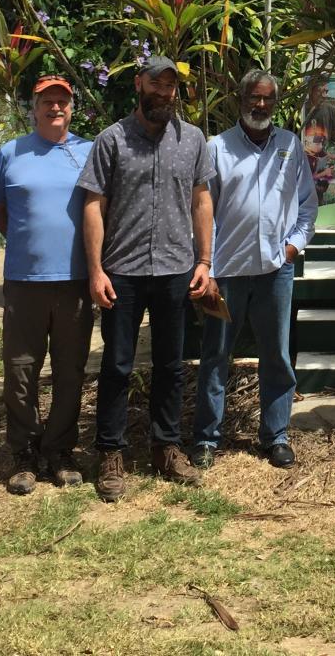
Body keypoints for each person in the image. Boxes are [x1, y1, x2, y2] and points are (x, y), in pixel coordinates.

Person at [77, 56, 214, 500]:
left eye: (171, 86)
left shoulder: (192, 140)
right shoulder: (111, 140)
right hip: (123, 271)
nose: (164, 93)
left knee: (171, 366)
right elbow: (93, 205)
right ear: (139, 84)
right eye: (156, 83)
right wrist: (96, 270)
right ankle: (111, 453)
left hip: (176, 269)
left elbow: (201, 200)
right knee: (116, 366)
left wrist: (205, 261)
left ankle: (166, 447)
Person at [191, 70, 318, 471]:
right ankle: (207, 438)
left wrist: (293, 247)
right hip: (225, 272)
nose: (260, 105)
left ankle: (275, 436)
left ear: (275, 103)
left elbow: (307, 205)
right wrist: (205, 265)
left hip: (274, 272)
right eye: (253, 97)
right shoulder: (216, 148)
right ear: (240, 98)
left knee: (276, 355)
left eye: (267, 99)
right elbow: (202, 209)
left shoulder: (290, 146)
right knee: (215, 356)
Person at [0, 76, 94, 495]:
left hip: (76, 281)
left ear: (71, 108)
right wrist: (26, 241)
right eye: (47, 102)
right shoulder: (11, 152)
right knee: (20, 369)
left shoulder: (88, 151)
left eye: (62, 102)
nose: (55, 109)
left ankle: (61, 451)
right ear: (34, 107)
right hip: (25, 282)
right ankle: (25, 454)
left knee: (70, 371)